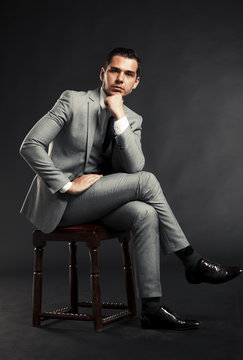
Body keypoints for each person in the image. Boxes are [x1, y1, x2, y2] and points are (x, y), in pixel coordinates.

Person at [20, 47, 242, 331]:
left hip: (100, 202)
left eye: (128, 74)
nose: (120, 78)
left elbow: (134, 166)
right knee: (147, 182)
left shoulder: (132, 120)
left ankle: (151, 308)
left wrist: (119, 117)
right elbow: (31, 145)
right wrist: (66, 184)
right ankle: (192, 261)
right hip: (62, 204)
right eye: (115, 70)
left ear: (136, 82)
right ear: (103, 73)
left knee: (145, 213)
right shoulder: (73, 101)